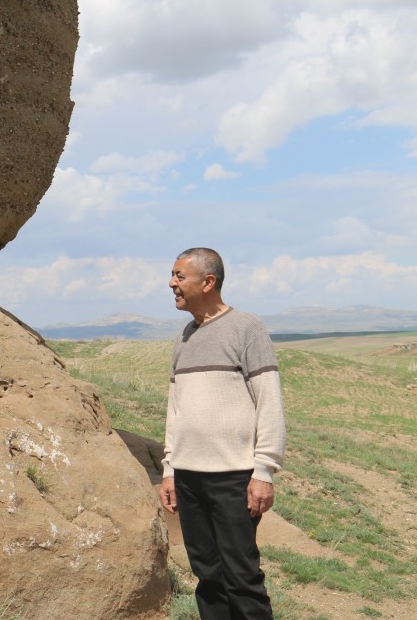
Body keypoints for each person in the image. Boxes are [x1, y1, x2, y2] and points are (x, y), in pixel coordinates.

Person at [158, 247, 286, 620]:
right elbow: (175, 408)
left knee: (242, 577)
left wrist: (264, 471)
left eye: (180, 276)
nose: (172, 283)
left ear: (208, 281)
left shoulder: (247, 328)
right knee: (208, 577)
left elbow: (270, 402)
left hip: (234, 477)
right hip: (189, 477)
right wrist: (170, 469)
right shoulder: (184, 336)